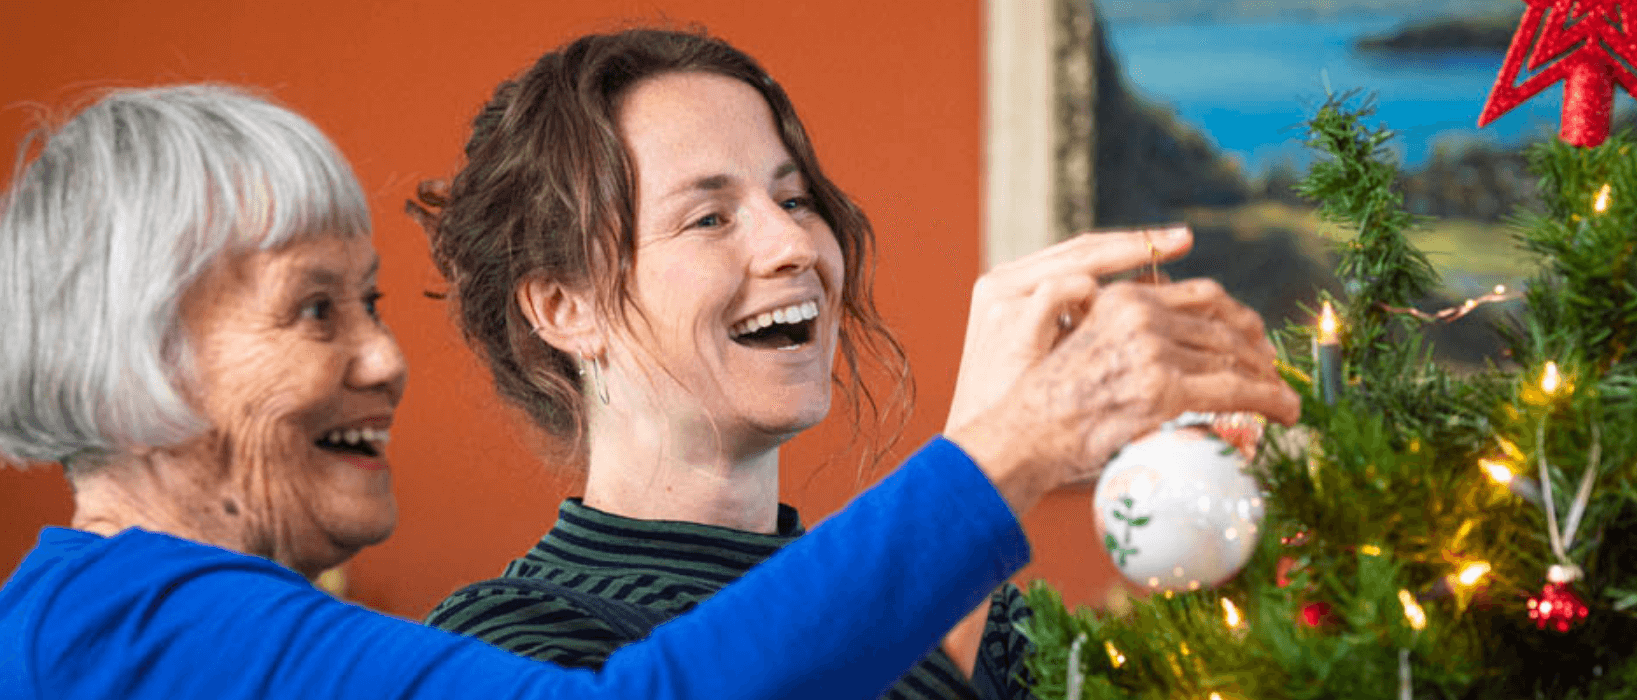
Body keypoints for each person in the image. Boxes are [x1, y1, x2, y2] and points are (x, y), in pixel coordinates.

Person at [0, 84, 1299, 699]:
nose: (388, 359)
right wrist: (1008, 449)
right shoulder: (131, 621)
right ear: (140, 360)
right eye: (314, 309)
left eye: (376, 303)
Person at [410, 27, 1290, 699]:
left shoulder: (998, 625)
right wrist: (997, 445)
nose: (794, 241)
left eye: (793, 198)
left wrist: (1225, 539)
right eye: (709, 217)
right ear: (566, 307)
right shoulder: (502, 645)